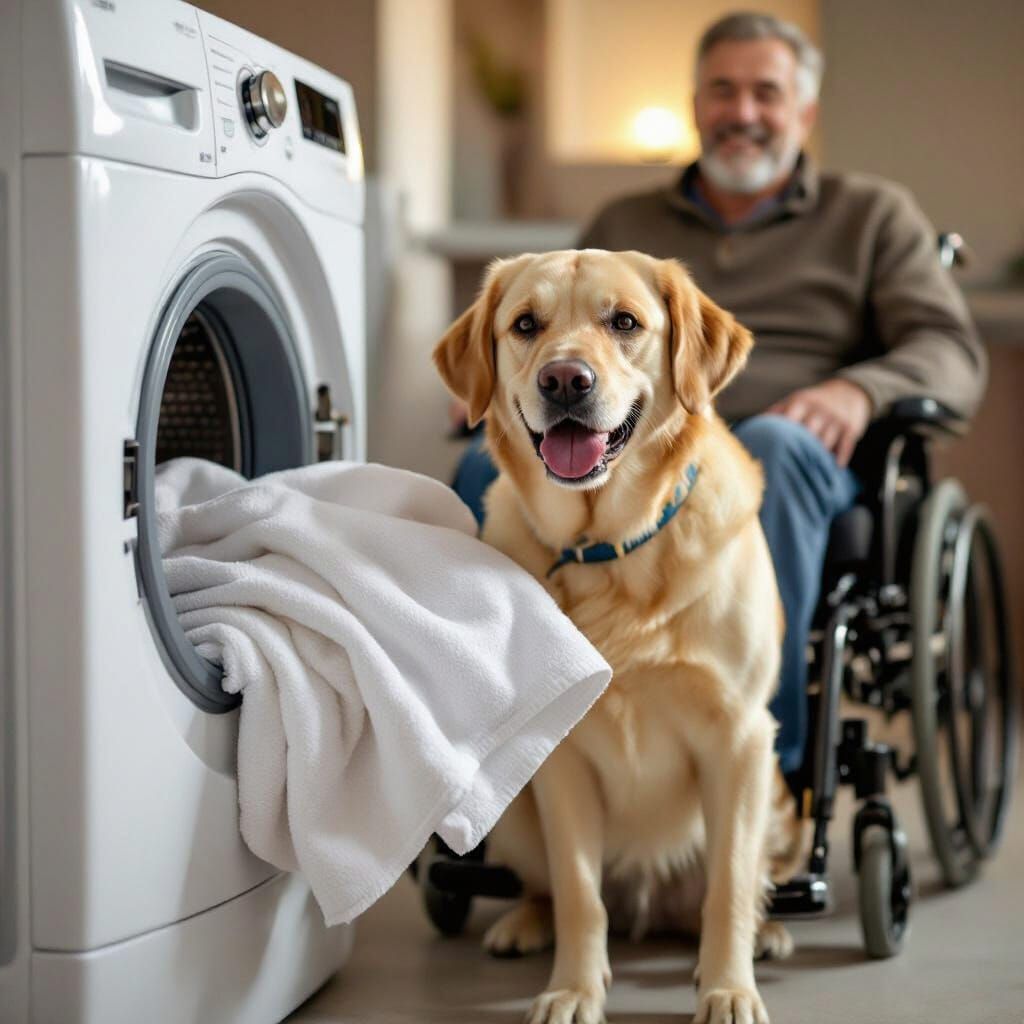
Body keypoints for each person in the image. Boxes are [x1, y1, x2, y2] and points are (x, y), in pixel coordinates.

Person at [450, 11, 986, 777]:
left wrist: (859, 392)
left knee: (770, 445)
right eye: (722, 92)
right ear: (696, 104)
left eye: (766, 94)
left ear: (804, 111)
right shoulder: (625, 221)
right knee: (483, 468)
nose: (742, 113)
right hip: (632, 456)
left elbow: (950, 351)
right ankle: (491, 760)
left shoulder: (871, 216)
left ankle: (771, 772)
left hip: (798, 459)